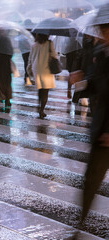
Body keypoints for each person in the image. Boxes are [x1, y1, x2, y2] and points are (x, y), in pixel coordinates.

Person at [75, 21, 109, 232]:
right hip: (101, 129)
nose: (102, 34)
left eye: (105, 30)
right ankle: (79, 227)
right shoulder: (100, 51)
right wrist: (83, 82)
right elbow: (98, 84)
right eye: (100, 30)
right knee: (90, 182)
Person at [27, 34, 58, 119]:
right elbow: (55, 56)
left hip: (36, 69)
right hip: (46, 69)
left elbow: (30, 59)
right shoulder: (49, 43)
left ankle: (39, 106)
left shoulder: (34, 45)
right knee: (45, 91)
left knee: (40, 90)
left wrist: (29, 70)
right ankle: (41, 110)